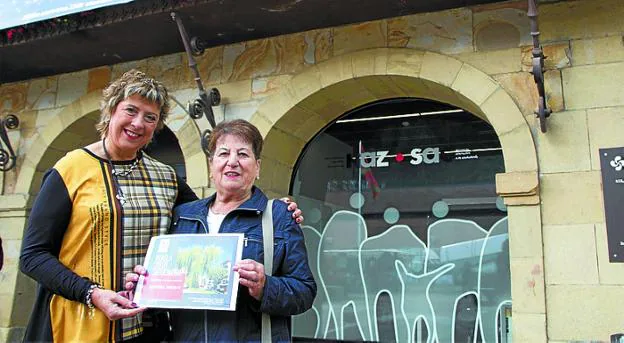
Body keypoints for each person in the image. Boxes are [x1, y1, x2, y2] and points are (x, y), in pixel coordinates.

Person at [19, 70, 303, 343]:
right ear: (111, 111)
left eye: (150, 117)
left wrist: (275, 211)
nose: (138, 123)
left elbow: (214, 216)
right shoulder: (69, 169)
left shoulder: (165, 177)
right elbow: (32, 255)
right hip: (78, 322)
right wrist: (91, 292)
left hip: (145, 329)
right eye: (130, 110)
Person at [126, 119, 317, 342]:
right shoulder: (181, 216)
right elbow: (168, 298)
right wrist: (145, 288)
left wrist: (265, 286)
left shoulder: (278, 216)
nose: (233, 162)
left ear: (257, 167)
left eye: (243, 154)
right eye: (224, 153)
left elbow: (304, 292)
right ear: (211, 165)